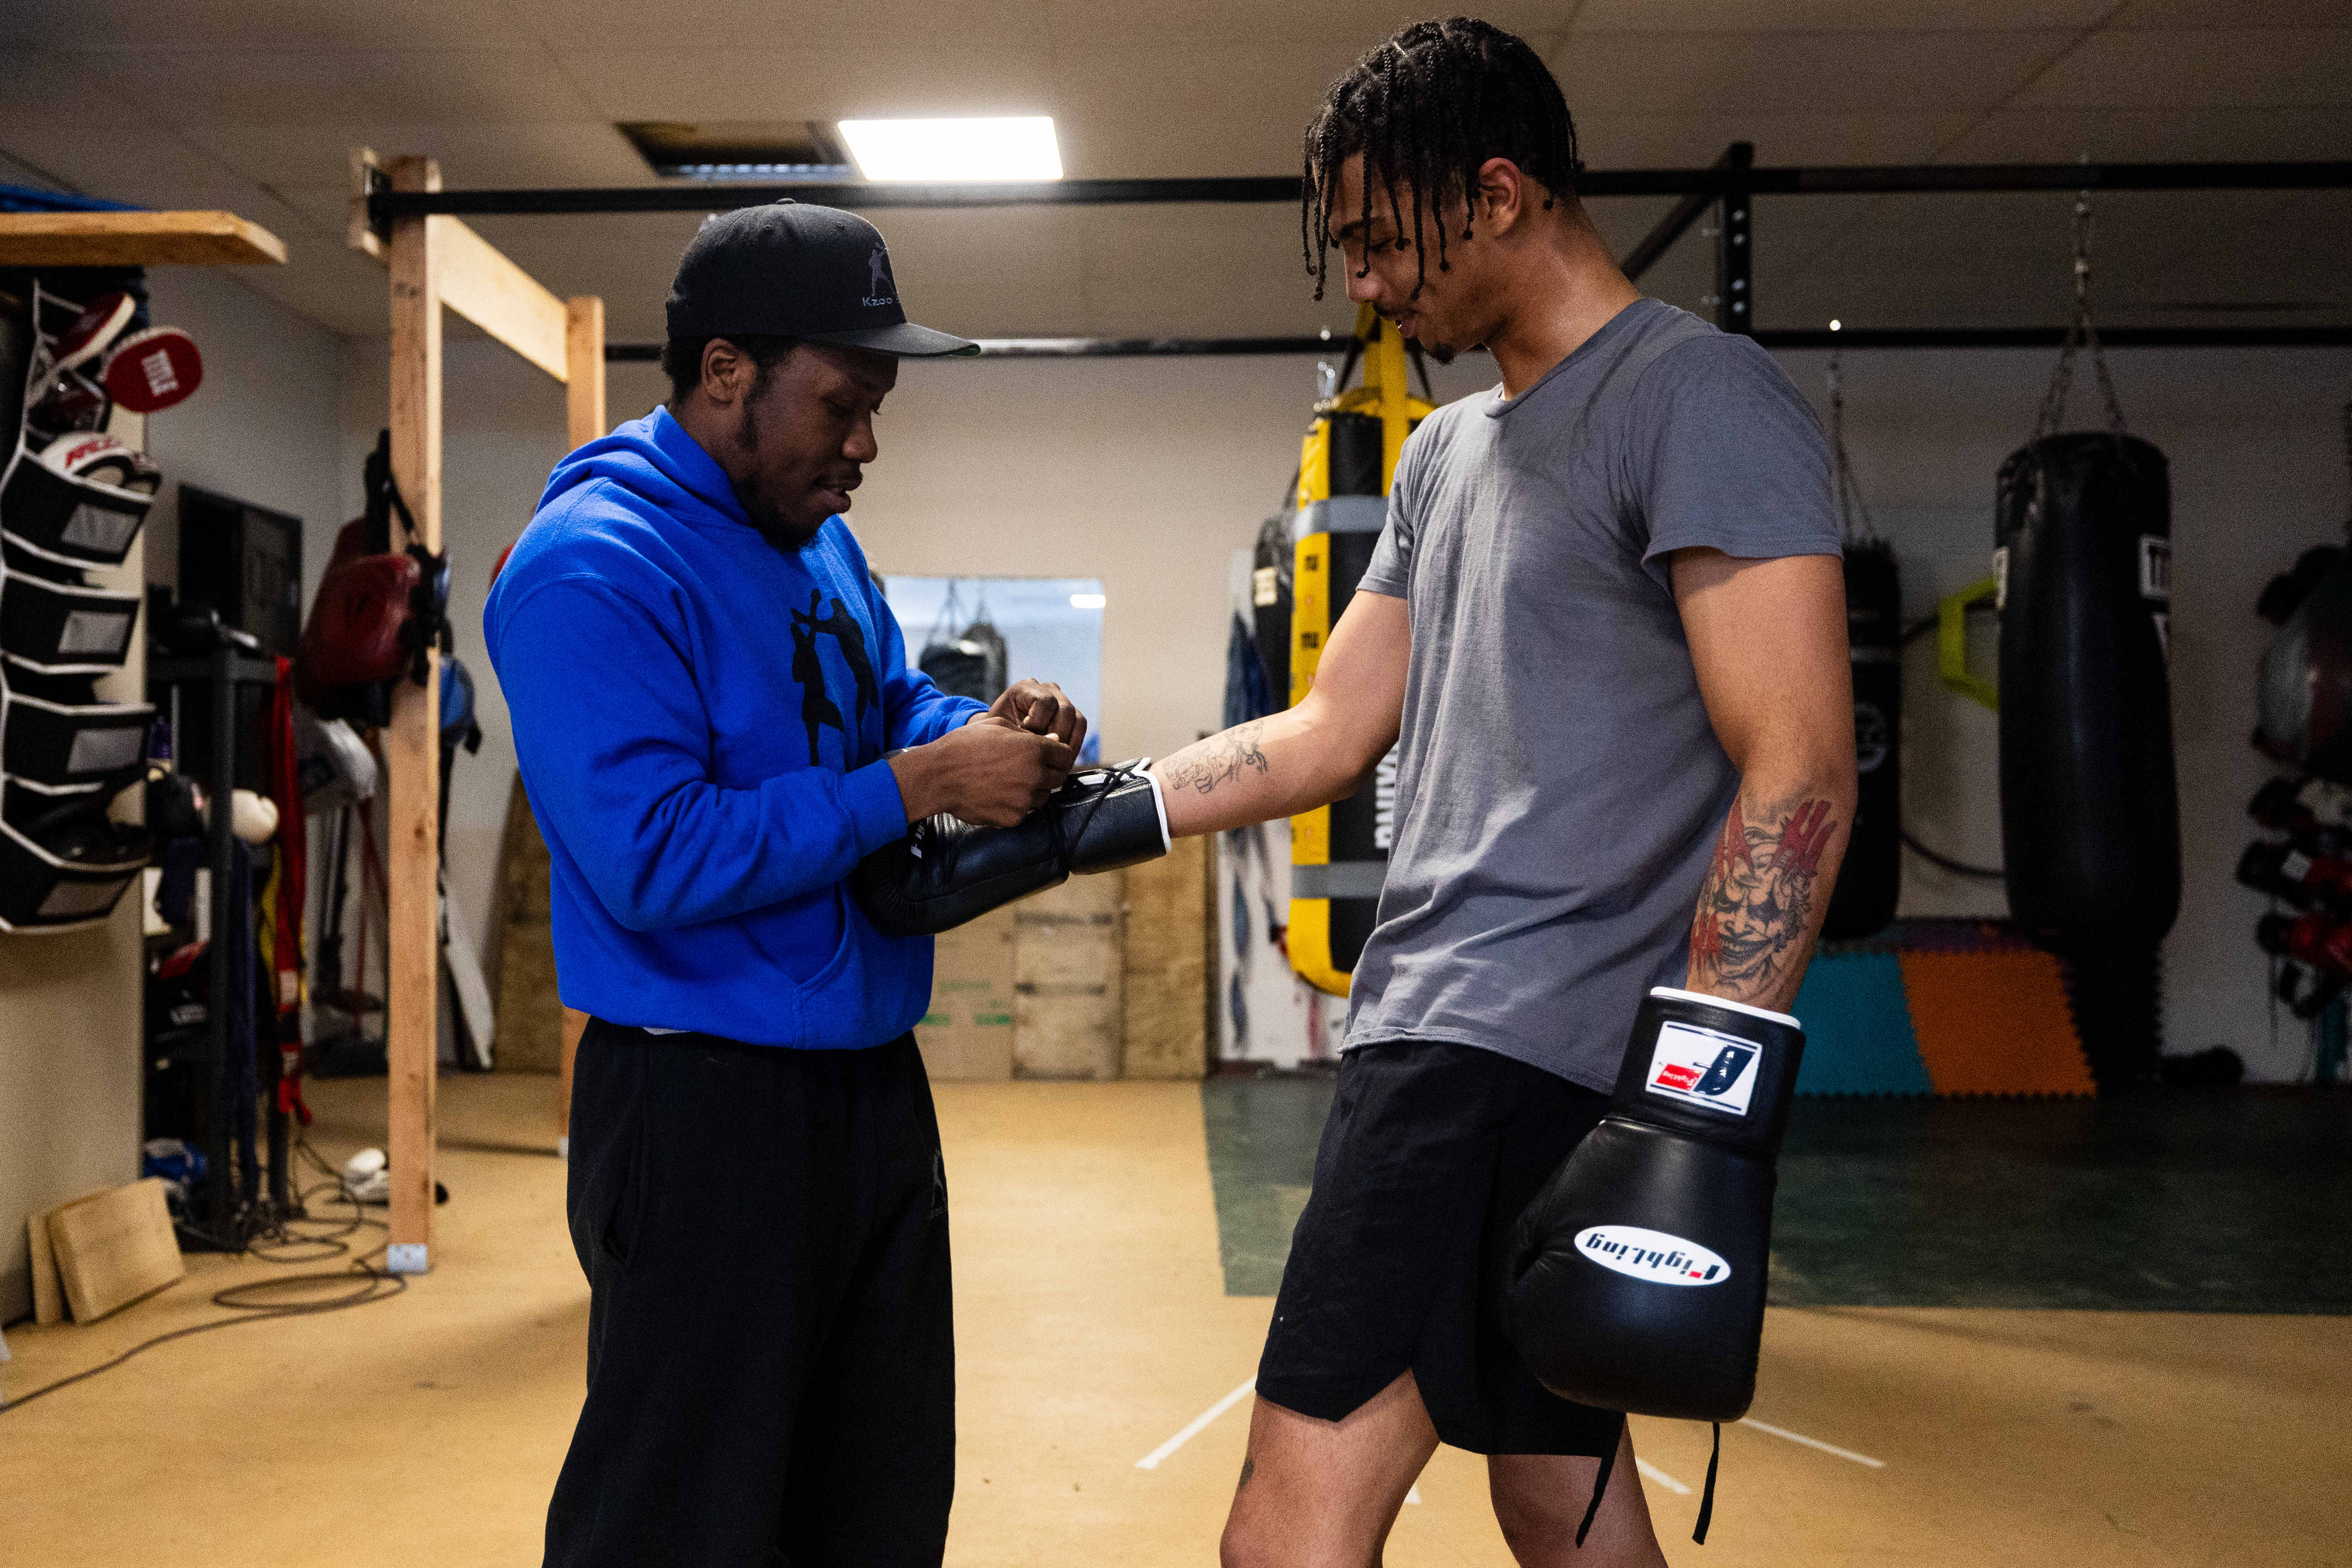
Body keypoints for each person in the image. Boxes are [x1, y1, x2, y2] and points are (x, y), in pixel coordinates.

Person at [1145, 20, 1855, 1567]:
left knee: (1287, 1531)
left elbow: (1797, 765)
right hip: (1454, 1030)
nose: (1368, 287)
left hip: (1499, 1056)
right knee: (1555, 1489)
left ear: (1499, 191)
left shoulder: (1697, 397)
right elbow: (1335, 727)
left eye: (1381, 243)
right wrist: (1103, 805)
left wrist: (1698, 1118)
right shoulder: (1446, 452)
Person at [484, 201, 1089, 1568]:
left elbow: (882, 698)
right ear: (724, 376)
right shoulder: (592, 569)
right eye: (844, 402)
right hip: (700, 1102)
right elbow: (652, 852)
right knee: (683, 1518)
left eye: (878, 405)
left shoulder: (810, 535)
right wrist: (923, 788)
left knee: (875, 1502)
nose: (866, 442)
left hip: (867, 1088)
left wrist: (983, 729)